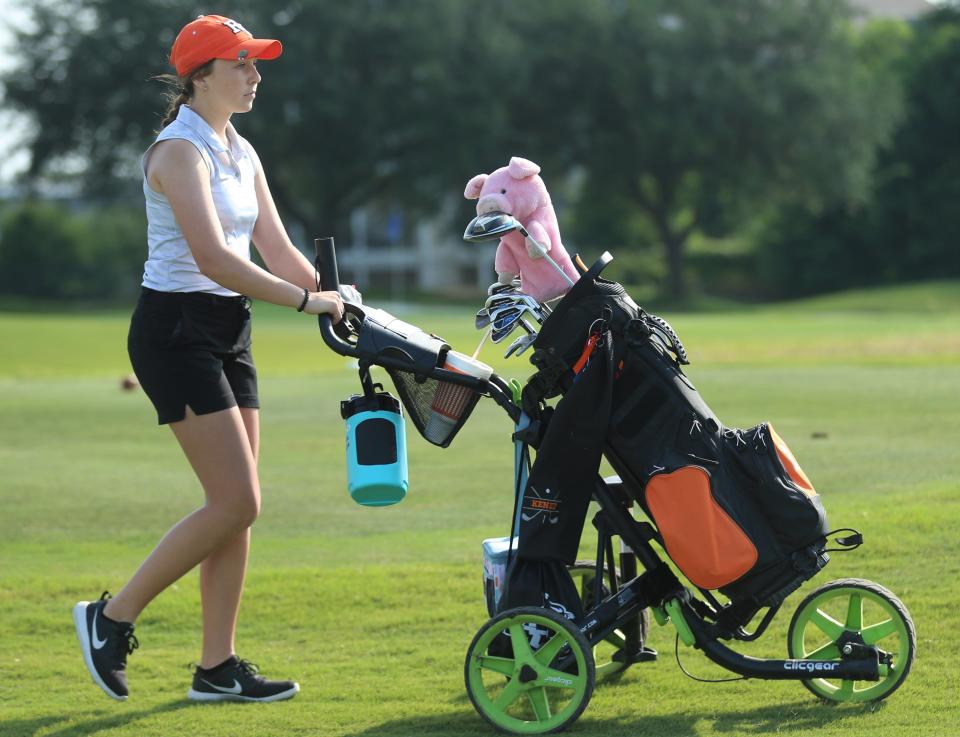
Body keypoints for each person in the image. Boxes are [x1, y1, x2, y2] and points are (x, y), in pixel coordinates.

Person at [73, 15, 345, 703]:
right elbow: (215, 258)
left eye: (255, 64)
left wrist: (335, 293)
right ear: (201, 76)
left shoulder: (239, 150)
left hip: (228, 326)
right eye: (242, 65)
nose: (256, 76)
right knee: (237, 497)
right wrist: (302, 303)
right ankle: (109, 618)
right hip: (174, 331)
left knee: (236, 508)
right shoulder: (177, 152)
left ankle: (216, 667)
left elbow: (276, 250)